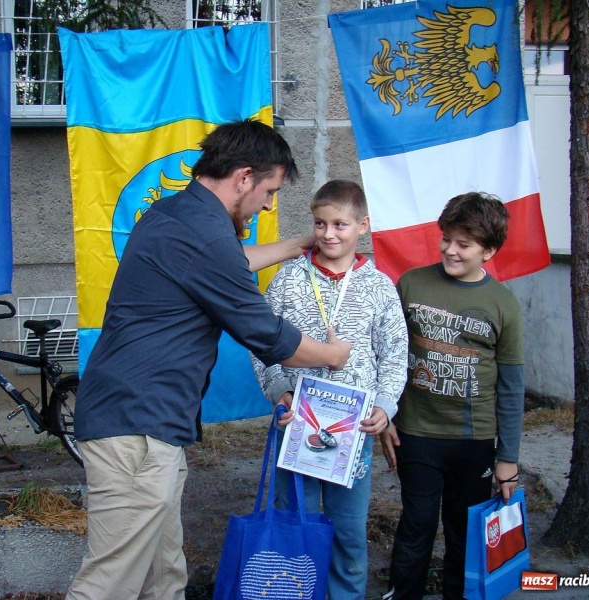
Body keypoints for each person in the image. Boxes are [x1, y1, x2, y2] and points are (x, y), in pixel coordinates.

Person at [66, 119, 353, 600]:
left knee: (163, 577)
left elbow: (228, 262)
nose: (269, 203)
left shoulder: (178, 215)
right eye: (269, 190)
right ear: (243, 177)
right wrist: (332, 354)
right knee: (109, 583)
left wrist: (294, 245)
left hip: (149, 426)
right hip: (135, 431)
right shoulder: (200, 234)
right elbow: (267, 335)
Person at [252, 180, 408, 599]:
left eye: (340, 224)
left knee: (348, 531)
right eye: (320, 224)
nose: (329, 234)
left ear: (363, 226)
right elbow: (262, 344)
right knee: (294, 521)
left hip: (353, 433)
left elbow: (394, 354)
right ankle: (294, 591)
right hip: (296, 424)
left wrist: (385, 405)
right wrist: (279, 389)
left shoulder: (379, 288)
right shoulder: (287, 280)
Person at [380, 192, 525, 600]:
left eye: (464, 244)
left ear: (489, 250)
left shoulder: (503, 303)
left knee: (465, 533)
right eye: (447, 238)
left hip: (474, 442)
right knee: (416, 524)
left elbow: (511, 388)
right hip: (416, 433)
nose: (450, 249)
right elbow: (387, 355)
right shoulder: (411, 283)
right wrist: (386, 416)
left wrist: (507, 459)